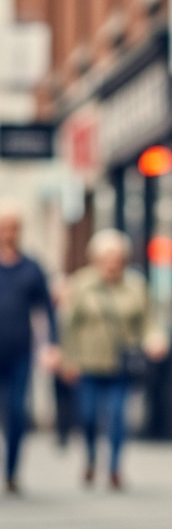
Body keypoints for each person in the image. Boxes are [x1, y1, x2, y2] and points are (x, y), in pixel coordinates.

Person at [60, 229, 168, 490]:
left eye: (116, 257)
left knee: (118, 416)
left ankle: (114, 469)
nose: (111, 263)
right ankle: (90, 457)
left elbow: (149, 320)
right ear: (95, 259)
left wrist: (155, 338)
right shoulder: (82, 284)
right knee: (87, 416)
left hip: (121, 364)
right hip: (88, 363)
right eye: (106, 257)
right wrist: (67, 358)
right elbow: (70, 324)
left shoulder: (136, 285)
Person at [0, 200, 60, 495]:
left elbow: (47, 309)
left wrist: (52, 346)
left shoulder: (31, 267)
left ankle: (11, 471)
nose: (8, 233)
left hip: (20, 351)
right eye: (4, 228)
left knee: (16, 412)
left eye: (13, 227)